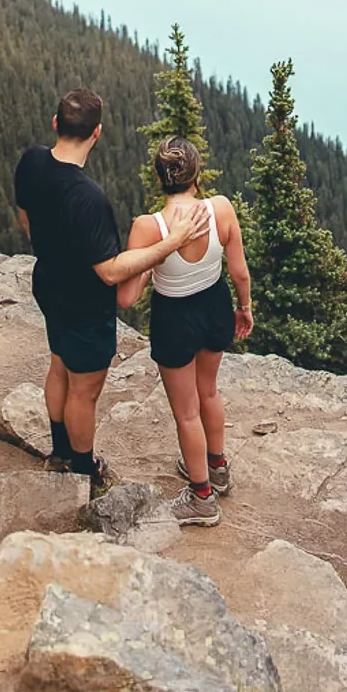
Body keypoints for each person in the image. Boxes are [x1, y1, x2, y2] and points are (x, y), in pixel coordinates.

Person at [14, 89, 208, 495]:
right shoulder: (89, 197)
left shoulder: (31, 161)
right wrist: (170, 243)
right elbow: (108, 272)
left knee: (58, 366)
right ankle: (83, 472)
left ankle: (59, 450)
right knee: (84, 393)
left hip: (48, 285)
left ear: (56, 123)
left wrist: (45, 247)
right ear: (97, 133)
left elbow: (25, 214)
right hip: (85, 304)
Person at [117, 136, 253, 526]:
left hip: (174, 318)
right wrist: (243, 309)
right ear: (196, 172)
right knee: (209, 391)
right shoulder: (221, 208)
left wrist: (150, 261)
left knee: (186, 413)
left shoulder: (149, 227)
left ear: (159, 177)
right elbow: (240, 272)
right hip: (214, 307)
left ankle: (201, 498)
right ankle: (218, 468)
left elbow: (127, 296)